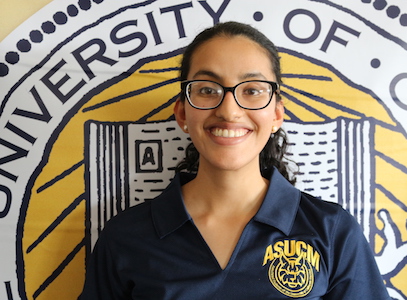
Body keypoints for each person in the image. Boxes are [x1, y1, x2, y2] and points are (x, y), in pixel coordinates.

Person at [79, 21, 390, 299]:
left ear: (277, 114)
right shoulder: (125, 236)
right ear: (182, 113)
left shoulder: (331, 230)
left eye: (252, 90)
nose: (228, 110)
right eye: (207, 89)